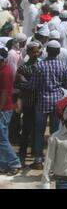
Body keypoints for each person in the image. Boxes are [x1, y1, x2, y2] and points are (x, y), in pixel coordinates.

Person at [29, 40, 67, 170]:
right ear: (58, 52)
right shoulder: (63, 66)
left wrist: (21, 83)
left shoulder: (39, 66)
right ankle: (54, 160)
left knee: (39, 132)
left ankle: (38, 160)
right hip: (57, 103)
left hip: (41, 103)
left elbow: (32, 86)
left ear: (47, 51)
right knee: (55, 133)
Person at [0, 47, 21, 175]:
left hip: (4, 109)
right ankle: (4, 163)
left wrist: (0, 109)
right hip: (5, 109)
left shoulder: (5, 72)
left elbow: (4, 92)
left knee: (1, 138)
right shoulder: (3, 69)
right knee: (3, 137)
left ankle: (14, 162)